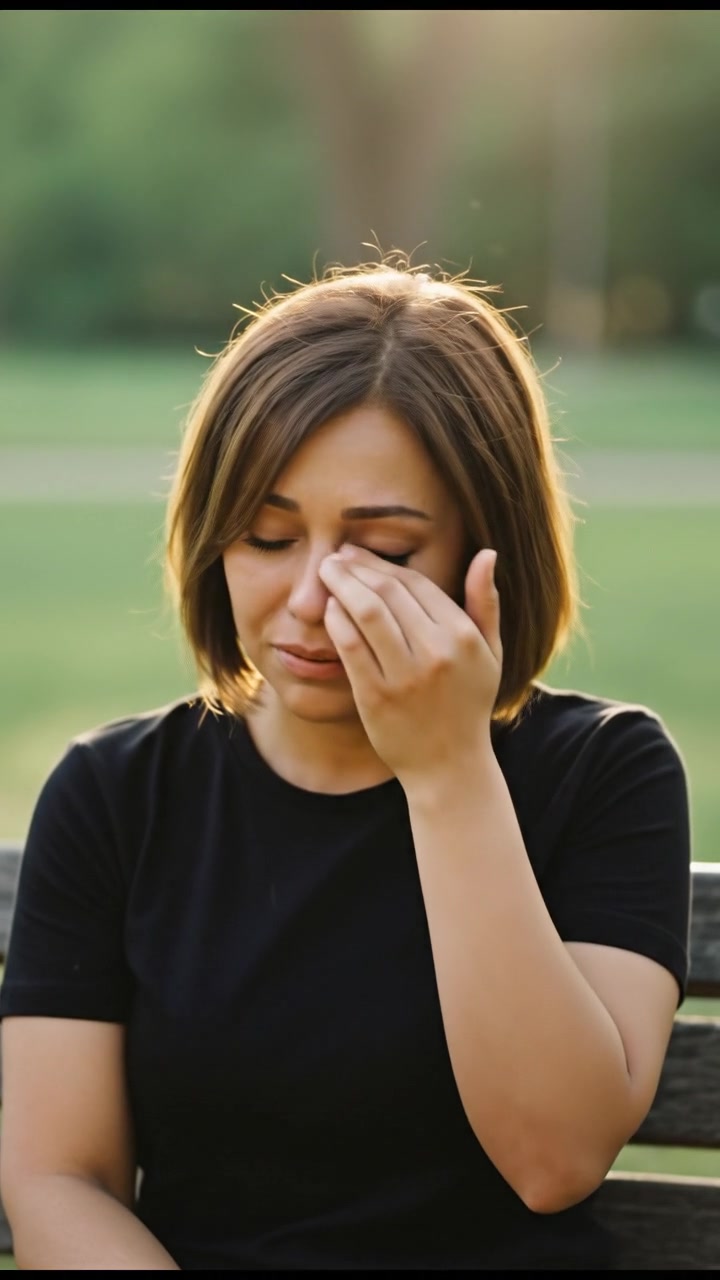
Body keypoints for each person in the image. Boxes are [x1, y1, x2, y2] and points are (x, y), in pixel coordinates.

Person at [0, 259, 691, 1271]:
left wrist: (449, 770)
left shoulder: (604, 771)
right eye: (268, 534)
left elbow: (555, 1156)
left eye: (384, 551)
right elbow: (60, 1177)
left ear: (483, 550)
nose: (313, 597)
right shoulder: (117, 794)